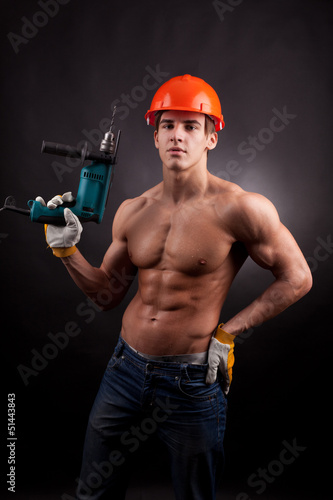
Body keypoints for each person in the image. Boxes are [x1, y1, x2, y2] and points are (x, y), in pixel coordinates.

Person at [38, 75, 312, 500]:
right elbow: (107, 295)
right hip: (123, 372)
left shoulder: (241, 208)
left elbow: (298, 277)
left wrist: (228, 333)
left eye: (190, 126)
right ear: (155, 136)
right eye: (168, 126)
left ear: (211, 139)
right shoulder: (134, 211)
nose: (177, 136)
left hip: (191, 382)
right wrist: (66, 250)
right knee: (93, 493)